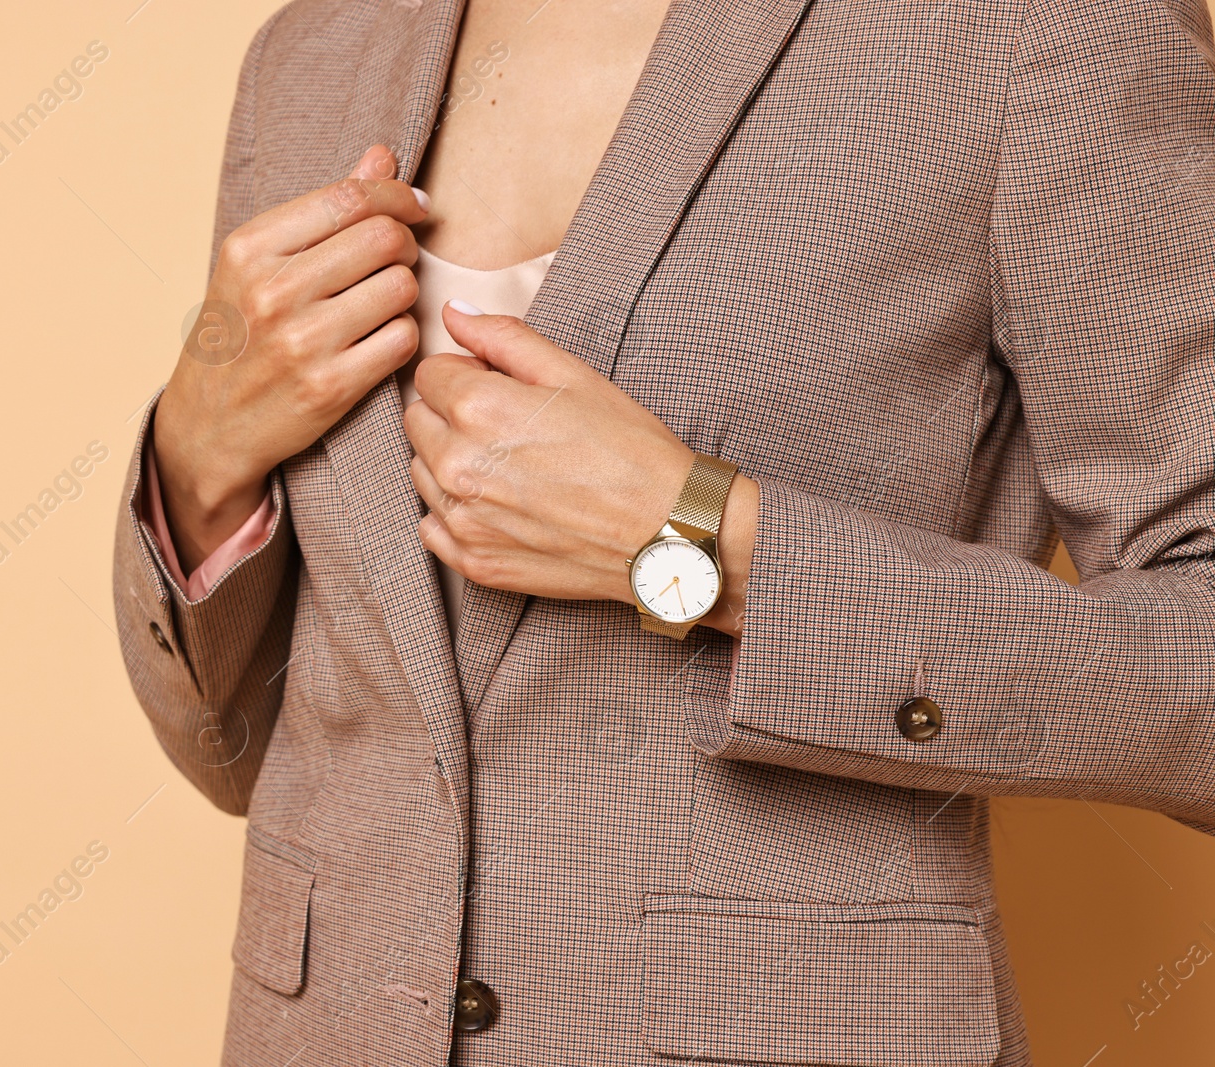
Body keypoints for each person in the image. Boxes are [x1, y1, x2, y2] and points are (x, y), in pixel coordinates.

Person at [113, 0, 1215, 1063]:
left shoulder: (1042, 24)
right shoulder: (309, 54)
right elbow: (239, 749)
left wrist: (701, 547)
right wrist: (198, 456)